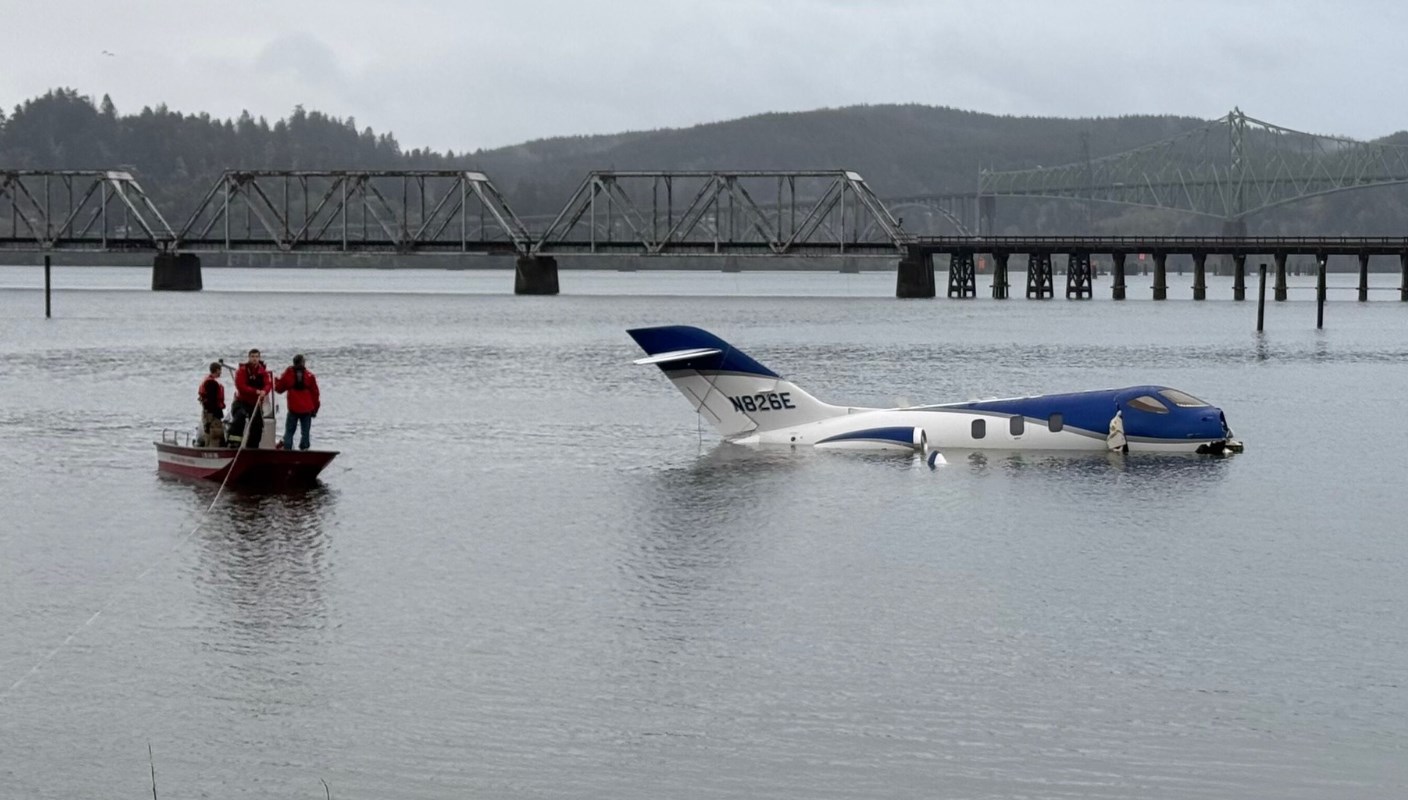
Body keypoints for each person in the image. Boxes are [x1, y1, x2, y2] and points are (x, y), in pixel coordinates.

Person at [275, 353, 321, 450]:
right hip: (307, 409)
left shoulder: (288, 374)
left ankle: (287, 448)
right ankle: (304, 448)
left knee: (289, 431)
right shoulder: (310, 376)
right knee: (305, 432)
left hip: (293, 408)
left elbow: (279, 389)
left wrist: (275, 380)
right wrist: (315, 409)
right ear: (303, 363)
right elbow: (315, 394)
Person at [231, 348, 271, 448]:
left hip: (256, 403)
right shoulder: (242, 370)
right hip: (242, 401)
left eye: (256, 357)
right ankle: (234, 443)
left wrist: (264, 391)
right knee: (239, 417)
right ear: (249, 358)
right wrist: (255, 391)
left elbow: (268, 384)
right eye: (252, 357)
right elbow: (240, 385)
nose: (254, 359)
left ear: (259, 358)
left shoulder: (263, 372)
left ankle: (252, 446)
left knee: (258, 424)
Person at [197, 361, 226, 447]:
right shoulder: (211, 383)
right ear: (217, 370)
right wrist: (217, 413)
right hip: (212, 413)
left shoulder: (207, 381)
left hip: (207, 412)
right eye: (220, 370)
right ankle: (213, 448)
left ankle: (207, 446)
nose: (221, 372)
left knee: (208, 431)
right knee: (215, 432)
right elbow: (212, 400)